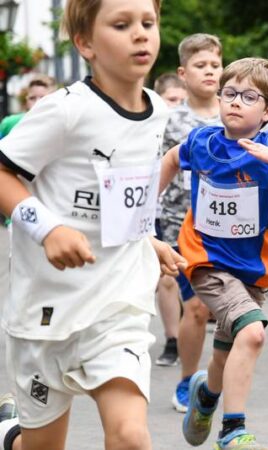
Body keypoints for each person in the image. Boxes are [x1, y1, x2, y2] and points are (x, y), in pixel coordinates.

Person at [0, 1, 187, 449]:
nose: (140, 34)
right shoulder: (64, 111)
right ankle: (13, 436)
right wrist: (48, 229)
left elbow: (124, 195)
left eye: (148, 23)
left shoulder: (158, 112)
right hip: (45, 313)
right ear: (85, 43)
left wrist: (148, 241)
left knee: (130, 437)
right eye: (121, 25)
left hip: (116, 305)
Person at [161, 57, 268, 450]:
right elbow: (171, 160)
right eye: (229, 93)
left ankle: (206, 396)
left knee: (228, 347)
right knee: (252, 333)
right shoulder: (203, 141)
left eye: (248, 96)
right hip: (205, 259)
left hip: (253, 267)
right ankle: (232, 429)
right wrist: (146, 212)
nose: (235, 102)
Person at [157, 33, 224, 412]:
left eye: (215, 65)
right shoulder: (170, 120)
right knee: (196, 306)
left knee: (227, 311)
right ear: (184, 73)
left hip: (228, 228)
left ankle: (215, 380)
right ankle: (187, 381)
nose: (210, 72)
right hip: (180, 224)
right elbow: (156, 171)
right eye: (201, 66)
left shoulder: (235, 114)